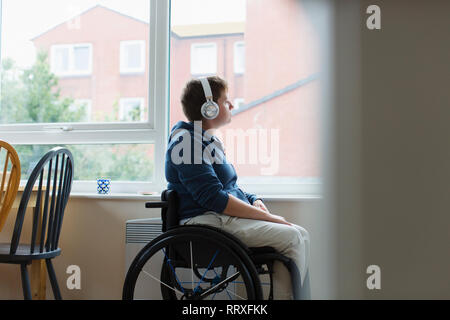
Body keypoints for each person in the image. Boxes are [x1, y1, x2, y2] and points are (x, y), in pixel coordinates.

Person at [165, 76, 310, 300]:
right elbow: (215, 199)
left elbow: (229, 187)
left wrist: (254, 200)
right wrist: (270, 219)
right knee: (292, 237)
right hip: (206, 223)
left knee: (300, 234)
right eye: (225, 100)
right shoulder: (187, 144)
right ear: (209, 108)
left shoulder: (204, 141)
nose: (231, 105)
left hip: (219, 218)